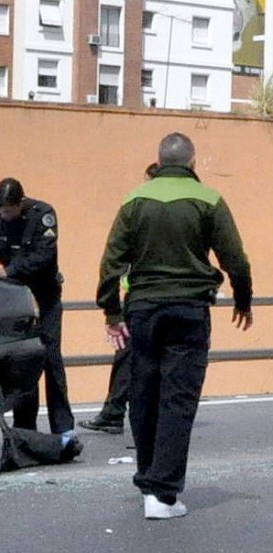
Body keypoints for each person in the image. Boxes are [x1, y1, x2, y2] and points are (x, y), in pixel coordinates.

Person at [97, 132, 253, 520]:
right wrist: (243, 300)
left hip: (143, 310)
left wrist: (112, 312)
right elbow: (236, 258)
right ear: (192, 162)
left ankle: (147, 479)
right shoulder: (209, 200)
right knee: (177, 400)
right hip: (188, 310)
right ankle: (163, 493)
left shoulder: (135, 200)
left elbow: (111, 261)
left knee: (144, 394)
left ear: (160, 159)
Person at [0, 177, 74, 437]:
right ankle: (25, 427)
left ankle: (63, 427)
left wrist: (8, 270)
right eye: (1, 210)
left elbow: (44, 256)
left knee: (51, 359)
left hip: (44, 296)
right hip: (15, 299)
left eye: (9, 210)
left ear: (20, 203)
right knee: (23, 361)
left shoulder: (42, 215)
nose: (4, 215)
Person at [80, 163, 157, 435]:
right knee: (133, 358)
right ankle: (118, 411)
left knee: (128, 357)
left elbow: (114, 258)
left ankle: (115, 412)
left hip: (142, 300)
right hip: (150, 298)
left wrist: (111, 309)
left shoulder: (138, 210)